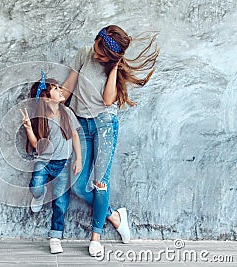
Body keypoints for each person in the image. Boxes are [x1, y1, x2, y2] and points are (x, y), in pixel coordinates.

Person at [61, 25, 159, 256]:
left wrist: (114, 67)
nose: (96, 56)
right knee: (77, 185)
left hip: (104, 125)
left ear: (113, 57)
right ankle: (115, 216)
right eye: (96, 49)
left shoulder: (114, 66)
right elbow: (68, 87)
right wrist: (52, 105)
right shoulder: (85, 53)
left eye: (102, 55)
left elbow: (107, 101)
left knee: (100, 182)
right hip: (81, 125)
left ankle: (96, 237)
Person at [19, 70, 82, 254]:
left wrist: (78, 158)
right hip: (45, 162)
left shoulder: (67, 113)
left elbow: (75, 135)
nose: (60, 90)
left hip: (63, 164)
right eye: (55, 88)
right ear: (46, 98)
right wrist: (29, 128)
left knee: (61, 202)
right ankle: (39, 195)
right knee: (36, 185)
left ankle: (56, 237)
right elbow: (36, 145)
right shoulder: (41, 120)